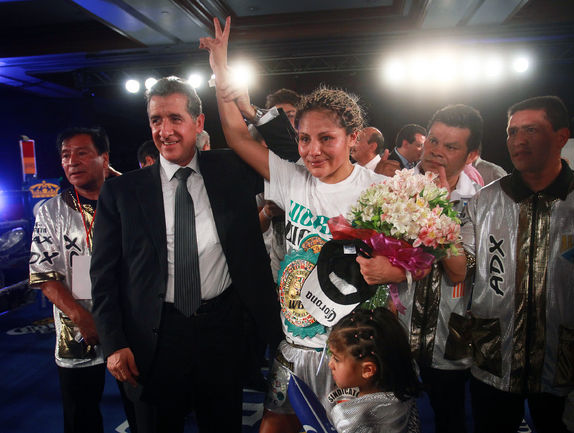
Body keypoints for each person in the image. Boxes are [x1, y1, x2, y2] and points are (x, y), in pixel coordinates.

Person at [200, 17, 404, 433]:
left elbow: (419, 262)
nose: (312, 150)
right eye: (304, 139)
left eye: (326, 138)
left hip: (356, 348)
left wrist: (395, 270)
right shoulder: (292, 178)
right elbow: (237, 137)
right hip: (295, 342)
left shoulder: (383, 191)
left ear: (353, 138)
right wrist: (221, 71)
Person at [90, 76, 283, 433]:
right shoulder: (121, 192)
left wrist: (250, 110)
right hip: (153, 341)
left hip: (223, 334)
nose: (164, 131)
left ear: (198, 122)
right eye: (156, 120)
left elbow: (289, 156)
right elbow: (103, 278)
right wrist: (114, 343)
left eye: (175, 118)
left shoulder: (232, 170)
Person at [465, 95, 574, 433]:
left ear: (561, 137)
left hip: (569, 363)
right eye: (512, 132)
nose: (518, 140)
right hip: (494, 357)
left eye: (531, 130)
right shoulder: (484, 201)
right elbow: (460, 263)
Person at [29, 127, 109, 433]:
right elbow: (42, 274)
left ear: (104, 158)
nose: (72, 161)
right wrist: (81, 317)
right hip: (75, 329)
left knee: (145, 413)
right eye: (65, 155)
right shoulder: (51, 212)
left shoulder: (126, 201)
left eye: (82, 153)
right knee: (80, 417)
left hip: (130, 324)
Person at [409, 104, 482, 433]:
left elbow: (459, 270)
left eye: (450, 146)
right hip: (395, 328)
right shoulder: (392, 188)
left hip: (450, 335)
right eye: (433, 141)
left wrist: (437, 206)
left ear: (471, 156)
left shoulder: (479, 201)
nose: (436, 151)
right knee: (386, 417)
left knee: (449, 417)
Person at [327, 307, 422, 433]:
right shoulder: (401, 392)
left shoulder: (351, 421)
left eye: (336, 359)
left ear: (367, 370)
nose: (330, 364)